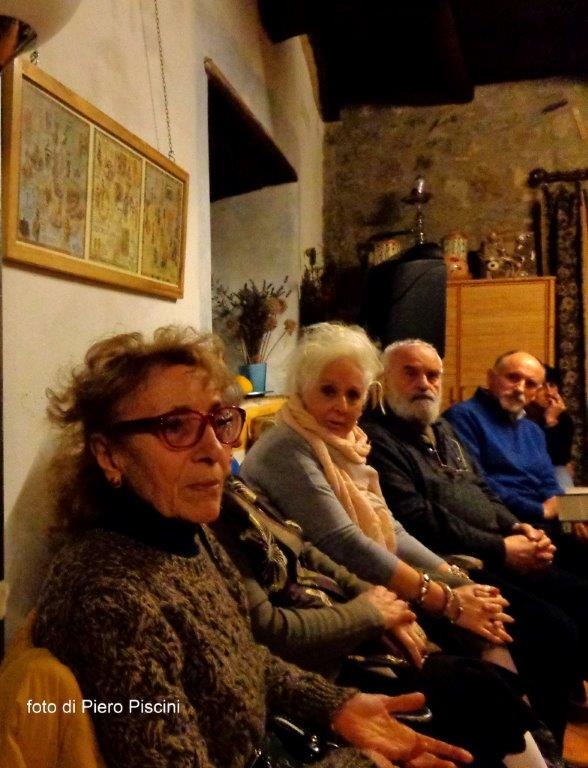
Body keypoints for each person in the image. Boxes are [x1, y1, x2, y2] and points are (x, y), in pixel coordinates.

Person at [28, 325, 473, 768]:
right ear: (109, 455)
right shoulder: (109, 598)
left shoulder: (184, 534)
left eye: (218, 422)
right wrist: (362, 763)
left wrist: (334, 705)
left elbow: (237, 656)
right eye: (176, 426)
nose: (218, 453)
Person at [214, 475, 545, 768]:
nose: (214, 447)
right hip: (324, 660)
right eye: (191, 432)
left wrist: (390, 602)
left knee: (494, 648)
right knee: (475, 683)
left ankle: (544, 750)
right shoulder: (280, 455)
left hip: (354, 613)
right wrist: (438, 599)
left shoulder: (236, 487)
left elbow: (314, 550)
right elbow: (348, 544)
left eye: (224, 432)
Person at [359, 338, 588, 745]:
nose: (425, 383)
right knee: (555, 631)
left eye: (433, 375)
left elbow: (482, 488)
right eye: (411, 373)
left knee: (580, 595)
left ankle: (557, 714)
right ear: (383, 378)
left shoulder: (441, 428)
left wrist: (518, 527)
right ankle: (545, 743)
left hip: (499, 544)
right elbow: (419, 519)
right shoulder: (378, 437)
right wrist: (502, 547)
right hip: (459, 563)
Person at [444, 350, 588, 568]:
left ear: (536, 392)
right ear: (491, 378)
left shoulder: (533, 430)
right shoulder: (462, 417)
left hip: (544, 527)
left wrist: (569, 513)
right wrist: (540, 510)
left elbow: (548, 481)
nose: (520, 388)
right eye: (513, 377)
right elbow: (473, 483)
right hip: (503, 527)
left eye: (530, 384)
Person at [525, 364, 575, 491]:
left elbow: (559, 459)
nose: (549, 393)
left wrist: (551, 421)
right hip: (524, 469)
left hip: (553, 470)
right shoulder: (520, 414)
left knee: (561, 473)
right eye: (542, 386)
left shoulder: (563, 419)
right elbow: (533, 456)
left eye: (552, 385)